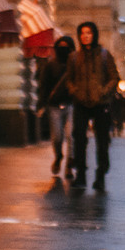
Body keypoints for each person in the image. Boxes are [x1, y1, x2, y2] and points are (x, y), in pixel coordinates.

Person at [52, 20, 119, 191]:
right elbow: (70, 79)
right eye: (82, 33)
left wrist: (104, 92)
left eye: (88, 33)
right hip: (81, 103)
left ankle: (101, 175)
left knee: (102, 141)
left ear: (94, 35)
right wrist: (74, 91)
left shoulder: (104, 55)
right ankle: (80, 174)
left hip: (101, 103)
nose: (85, 36)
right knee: (79, 139)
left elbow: (114, 77)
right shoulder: (74, 57)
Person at [37, 35, 74, 179]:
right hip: (54, 107)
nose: (63, 50)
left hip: (71, 105)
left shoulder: (74, 65)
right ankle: (58, 157)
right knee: (57, 136)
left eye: (66, 47)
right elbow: (43, 86)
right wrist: (42, 103)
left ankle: (69, 165)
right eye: (61, 47)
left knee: (71, 136)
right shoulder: (50, 65)